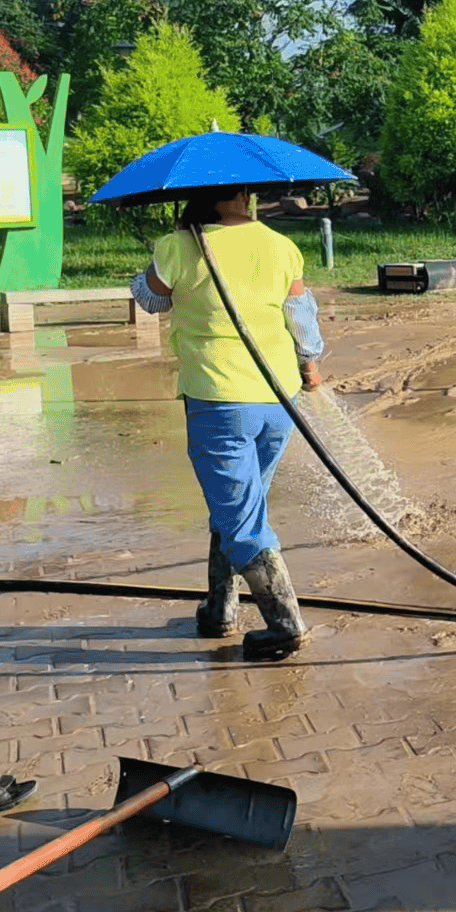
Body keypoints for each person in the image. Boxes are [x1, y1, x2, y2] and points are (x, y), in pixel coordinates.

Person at [129, 185, 327, 661]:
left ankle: (285, 625)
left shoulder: (178, 247)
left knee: (240, 513)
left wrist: (149, 271)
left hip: (219, 400)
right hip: (279, 396)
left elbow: (150, 301)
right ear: (241, 195)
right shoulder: (281, 246)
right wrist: (311, 365)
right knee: (241, 503)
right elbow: (300, 315)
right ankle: (220, 608)